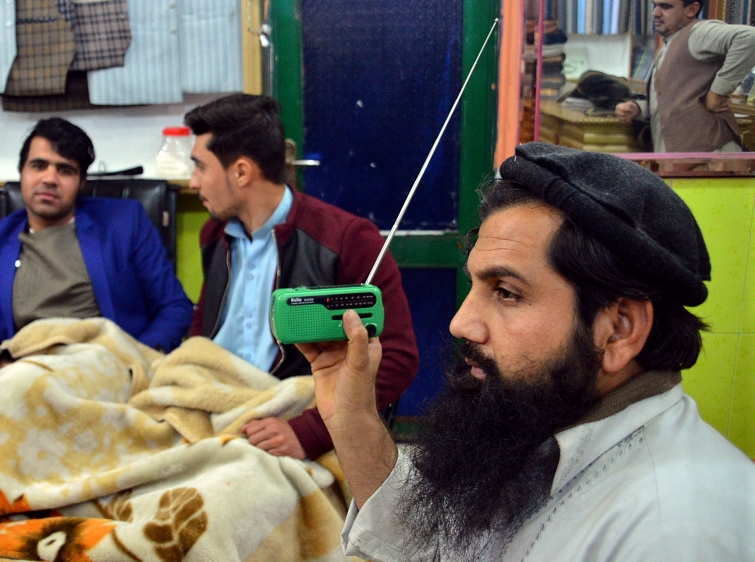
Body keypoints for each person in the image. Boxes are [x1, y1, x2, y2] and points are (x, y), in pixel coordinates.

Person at [301, 142, 755, 561]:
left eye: (507, 293)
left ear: (618, 330)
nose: (461, 323)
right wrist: (354, 419)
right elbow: (437, 547)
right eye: (476, 284)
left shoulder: (675, 532)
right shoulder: (543, 418)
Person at [185, 94, 419, 461]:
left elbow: (397, 358)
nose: (193, 181)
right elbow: (205, 328)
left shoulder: (346, 240)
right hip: (210, 403)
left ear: (242, 172)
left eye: (200, 167)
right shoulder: (213, 236)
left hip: (290, 418)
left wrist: (310, 431)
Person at [0, 117, 193, 380]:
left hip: (107, 373)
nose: (49, 178)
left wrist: (136, 364)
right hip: (26, 375)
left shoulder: (124, 224)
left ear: (81, 182)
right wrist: (5, 370)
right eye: (39, 166)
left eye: (65, 170)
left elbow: (174, 307)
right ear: (22, 173)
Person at [614, 0, 755, 152]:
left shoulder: (698, 32)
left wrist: (718, 91)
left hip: (709, 158)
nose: (656, 13)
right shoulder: (670, 42)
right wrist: (638, 109)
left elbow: (749, 37)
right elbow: (676, 97)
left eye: (666, 7)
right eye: (655, 6)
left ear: (691, 10)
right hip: (684, 158)